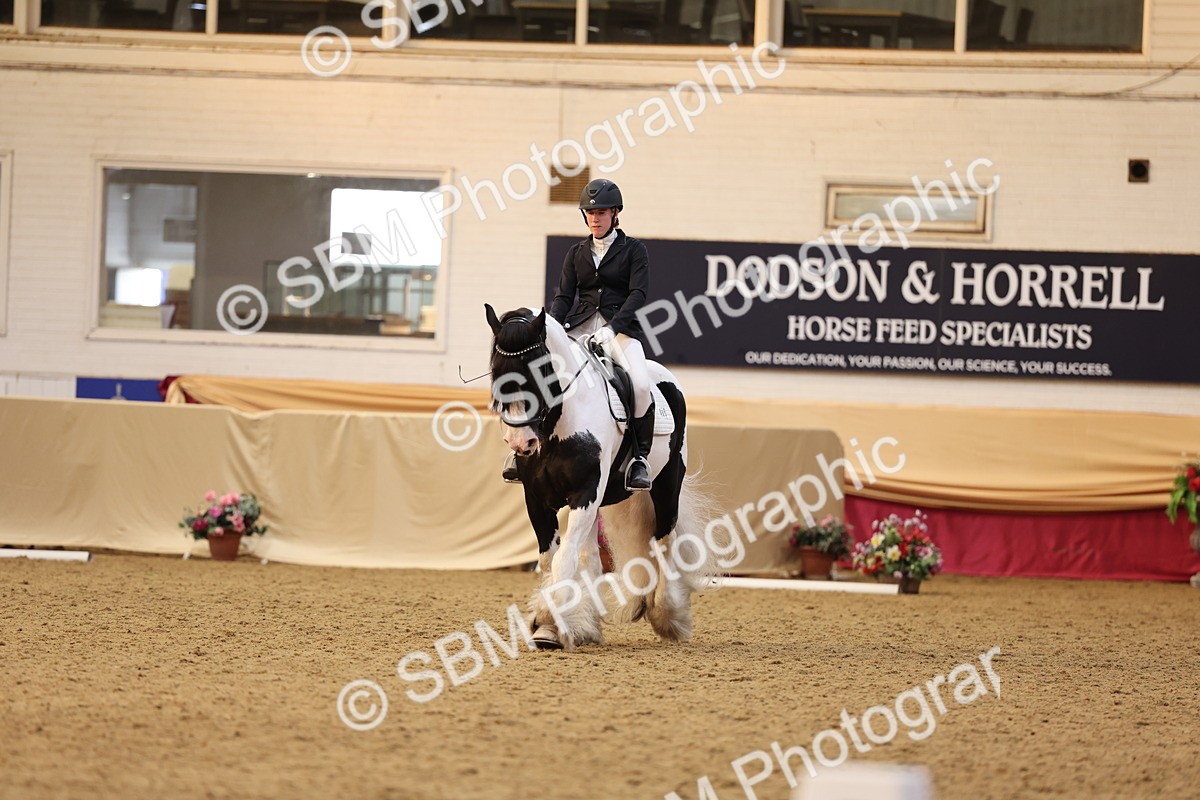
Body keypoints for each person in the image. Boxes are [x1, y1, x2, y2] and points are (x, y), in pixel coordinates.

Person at [503, 178, 656, 491]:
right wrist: (550, 328)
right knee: (542, 377)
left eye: (600, 212)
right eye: (589, 212)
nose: (594, 218)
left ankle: (639, 459)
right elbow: (563, 297)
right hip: (579, 328)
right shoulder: (576, 253)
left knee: (640, 384)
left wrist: (613, 329)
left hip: (620, 330)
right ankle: (521, 450)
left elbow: (638, 294)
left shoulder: (634, 250)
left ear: (615, 213)